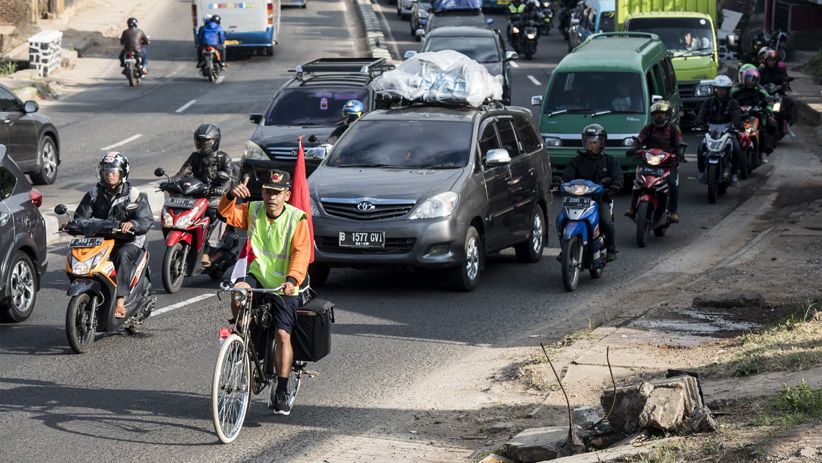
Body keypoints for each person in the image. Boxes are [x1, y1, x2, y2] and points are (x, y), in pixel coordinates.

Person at [218, 170, 311, 416]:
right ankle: (242, 336)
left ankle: (281, 388)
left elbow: (301, 255)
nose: (272, 197)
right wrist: (230, 195)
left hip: (285, 284)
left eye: (277, 193)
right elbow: (225, 213)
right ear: (263, 193)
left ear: (287, 195)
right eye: (268, 191)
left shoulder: (297, 219)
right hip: (258, 275)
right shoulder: (253, 209)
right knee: (238, 292)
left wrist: (292, 280)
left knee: (282, 334)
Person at [72, 152, 153, 318]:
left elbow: (145, 219)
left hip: (129, 241)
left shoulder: (134, 194)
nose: (109, 174)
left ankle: (120, 301)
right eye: (106, 170)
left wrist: (133, 224)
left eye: (114, 171)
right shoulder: (94, 194)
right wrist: (73, 225)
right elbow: (81, 216)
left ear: (122, 173)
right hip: (102, 240)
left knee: (122, 255)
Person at [168, 124, 234, 267]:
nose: (202, 145)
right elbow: (182, 173)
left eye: (206, 142)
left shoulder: (223, 158)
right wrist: (170, 181)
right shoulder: (194, 157)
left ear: (215, 142)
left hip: (215, 197)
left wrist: (221, 189)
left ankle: (209, 249)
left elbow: (229, 179)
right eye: (200, 142)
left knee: (217, 214)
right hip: (196, 195)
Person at [562, 124, 623, 261]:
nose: (592, 145)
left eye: (595, 142)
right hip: (578, 199)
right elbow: (566, 177)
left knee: (606, 222)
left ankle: (611, 249)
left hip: (600, 199)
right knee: (561, 219)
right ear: (584, 142)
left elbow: (618, 178)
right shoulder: (577, 161)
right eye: (589, 142)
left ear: (602, 142)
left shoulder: (610, 161)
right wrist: (559, 183)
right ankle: (565, 248)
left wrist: (613, 188)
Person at [625, 100, 684, 222]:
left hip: (668, 164)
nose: (659, 117)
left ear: (668, 115)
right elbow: (640, 140)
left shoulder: (674, 129)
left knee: (672, 184)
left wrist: (679, 152)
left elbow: (680, 143)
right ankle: (632, 208)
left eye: (661, 114)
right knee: (638, 182)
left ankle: (673, 211)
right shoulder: (648, 128)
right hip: (649, 162)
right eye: (656, 115)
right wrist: (635, 148)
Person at [695, 74, 742, 185]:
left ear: (728, 90)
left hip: (727, 130)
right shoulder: (709, 101)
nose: (720, 91)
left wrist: (737, 125)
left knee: (736, 149)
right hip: (711, 131)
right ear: (714, 89)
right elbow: (702, 113)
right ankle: (701, 172)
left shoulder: (733, 102)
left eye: (723, 89)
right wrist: (699, 122)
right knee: (700, 148)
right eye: (718, 89)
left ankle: (734, 175)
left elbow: (736, 115)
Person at [732, 67, 775, 155]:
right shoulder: (736, 90)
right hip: (739, 117)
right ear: (743, 79)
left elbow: (770, 102)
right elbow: (728, 100)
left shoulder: (760, 91)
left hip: (755, 117)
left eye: (753, 80)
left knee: (762, 131)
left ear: (757, 80)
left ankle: (763, 151)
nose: (750, 82)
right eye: (748, 79)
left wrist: (768, 110)